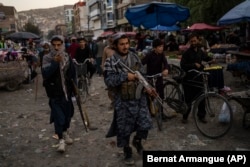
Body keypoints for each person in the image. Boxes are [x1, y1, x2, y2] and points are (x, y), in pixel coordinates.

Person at [104, 33, 153, 165]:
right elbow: (109, 81)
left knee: (145, 123)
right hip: (122, 100)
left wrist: (148, 87)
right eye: (122, 44)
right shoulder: (111, 61)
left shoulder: (135, 57)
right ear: (115, 45)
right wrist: (125, 76)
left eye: (127, 43)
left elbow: (143, 74)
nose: (125, 46)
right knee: (124, 128)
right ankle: (127, 150)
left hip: (139, 98)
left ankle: (137, 141)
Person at [41, 35, 76, 153]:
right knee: (58, 117)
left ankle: (65, 133)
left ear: (62, 45)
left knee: (68, 115)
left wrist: (76, 90)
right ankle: (61, 139)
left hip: (66, 92)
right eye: (54, 45)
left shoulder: (67, 57)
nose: (56, 47)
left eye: (59, 44)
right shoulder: (47, 58)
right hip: (54, 93)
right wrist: (55, 63)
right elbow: (46, 74)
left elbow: (72, 75)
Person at [180, 32, 214, 124]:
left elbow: (206, 57)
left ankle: (201, 116)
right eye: (192, 41)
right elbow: (182, 65)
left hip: (198, 78)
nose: (193, 43)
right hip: (188, 80)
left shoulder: (200, 51)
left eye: (195, 41)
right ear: (190, 42)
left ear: (198, 40)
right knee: (188, 100)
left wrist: (211, 59)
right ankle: (185, 116)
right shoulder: (186, 53)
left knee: (202, 98)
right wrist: (193, 65)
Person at [141, 38, 177, 119]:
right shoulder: (149, 55)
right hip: (150, 78)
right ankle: (149, 113)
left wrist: (166, 69)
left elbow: (165, 63)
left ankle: (161, 114)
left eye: (162, 46)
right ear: (155, 47)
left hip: (159, 77)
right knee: (150, 97)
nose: (161, 48)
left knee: (160, 97)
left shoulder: (162, 55)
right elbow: (141, 63)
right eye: (159, 46)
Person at [101, 36, 115, 109]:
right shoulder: (106, 49)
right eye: (110, 41)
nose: (111, 43)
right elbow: (103, 59)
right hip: (108, 71)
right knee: (110, 88)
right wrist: (103, 68)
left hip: (117, 71)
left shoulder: (117, 48)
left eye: (112, 41)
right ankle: (112, 101)